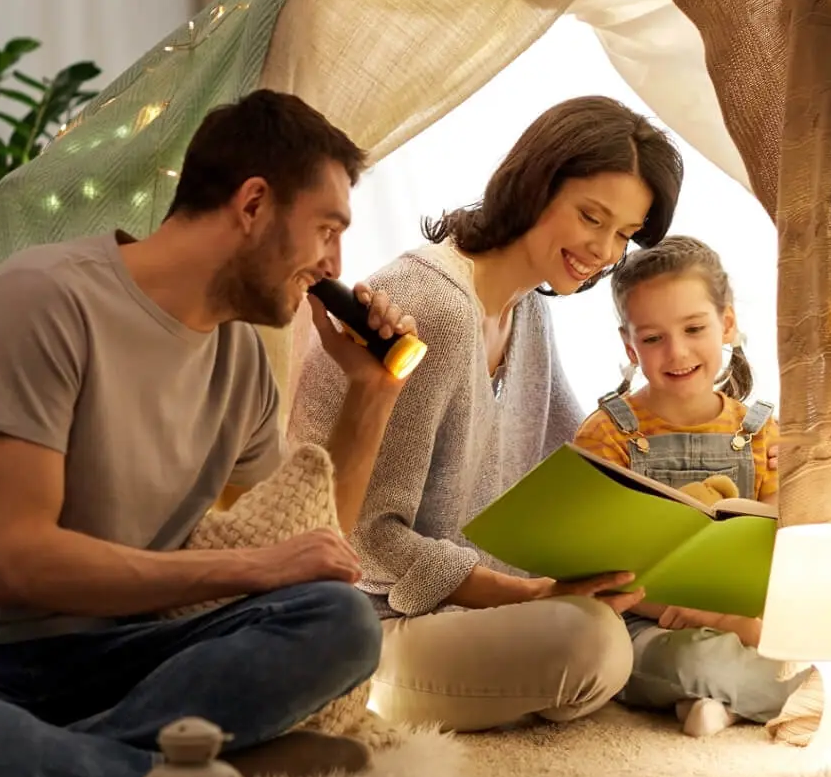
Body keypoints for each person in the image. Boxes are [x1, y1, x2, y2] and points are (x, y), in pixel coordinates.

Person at [0, 89, 417, 777]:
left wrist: (372, 395)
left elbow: (308, 555)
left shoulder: (243, 365)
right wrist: (253, 567)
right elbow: (22, 563)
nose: (335, 264)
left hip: (113, 659)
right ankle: (182, 775)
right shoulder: (45, 301)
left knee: (339, 621)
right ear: (253, 205)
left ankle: (21, 774)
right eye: (327, 229)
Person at [287, 96, 685, 731]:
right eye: (592, 216)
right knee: (591, 645)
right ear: (536, 184)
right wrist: (534, 595)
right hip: (368, 622)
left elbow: (580, 461)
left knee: (619, 625)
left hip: (470, 615)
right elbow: (367, 537)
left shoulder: (528, 311)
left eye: (625, 235)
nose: (604, 250)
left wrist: (705, 483)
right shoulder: (433, 308)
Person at [570, 236, 806, 737]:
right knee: (691, 661)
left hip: (746, 623)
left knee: (821, 648)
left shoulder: (762, 430)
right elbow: (599, 568)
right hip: (645, 625)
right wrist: (707, 617)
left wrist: (789, 484)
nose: (676, 352)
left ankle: (721, 703)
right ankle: (728, 694)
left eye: (694, 328)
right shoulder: (606, 433)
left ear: (727, 323)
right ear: (629, 345)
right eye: (652, 338)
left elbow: (774, 550)